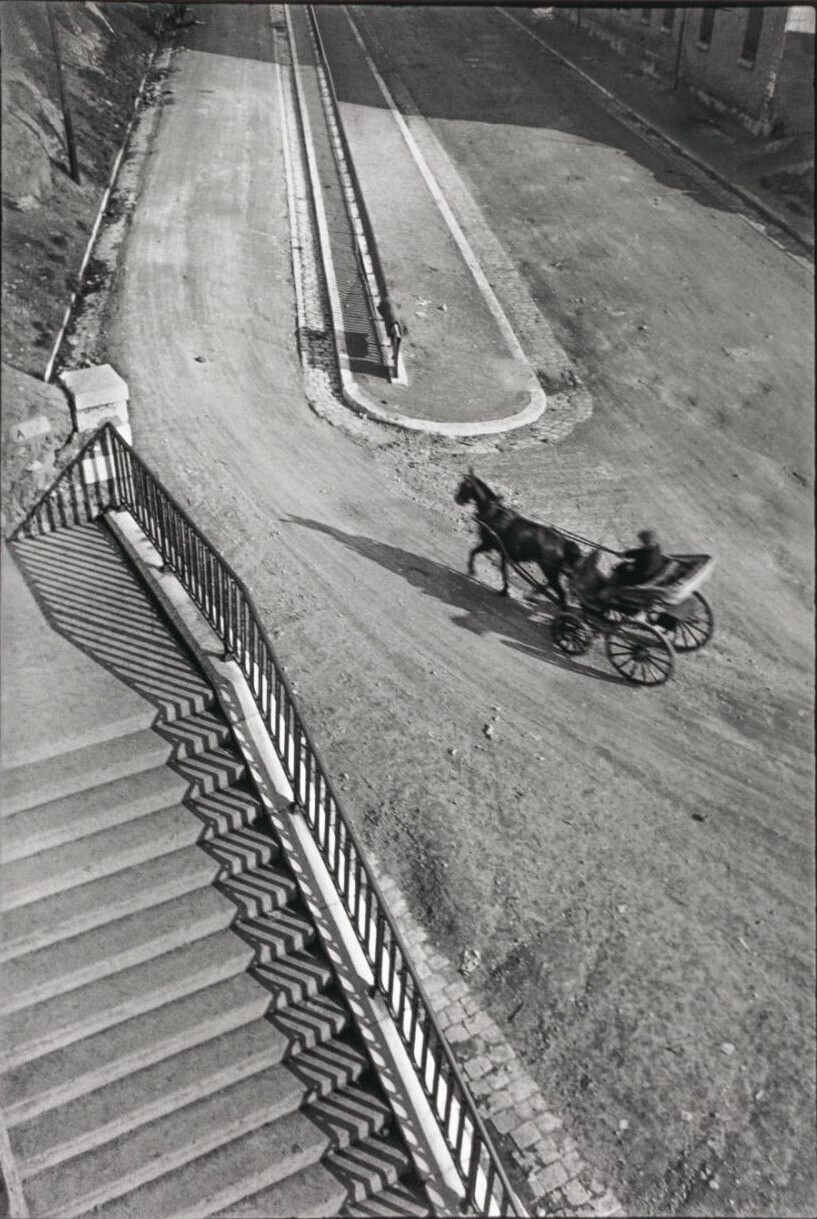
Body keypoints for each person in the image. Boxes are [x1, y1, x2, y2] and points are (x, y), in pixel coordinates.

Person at [596, 530, 666, 608]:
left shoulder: (649, 556)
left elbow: (642, 572)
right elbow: (639, 552)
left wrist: (630, 568)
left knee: (621, 567)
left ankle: (608, 589)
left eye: (643, 541)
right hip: (643, 572)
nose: (641, 543)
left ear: (647, 542)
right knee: (623, 566)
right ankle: (609, 583)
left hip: (639, 578)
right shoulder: (654, 548)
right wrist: (625, 554)